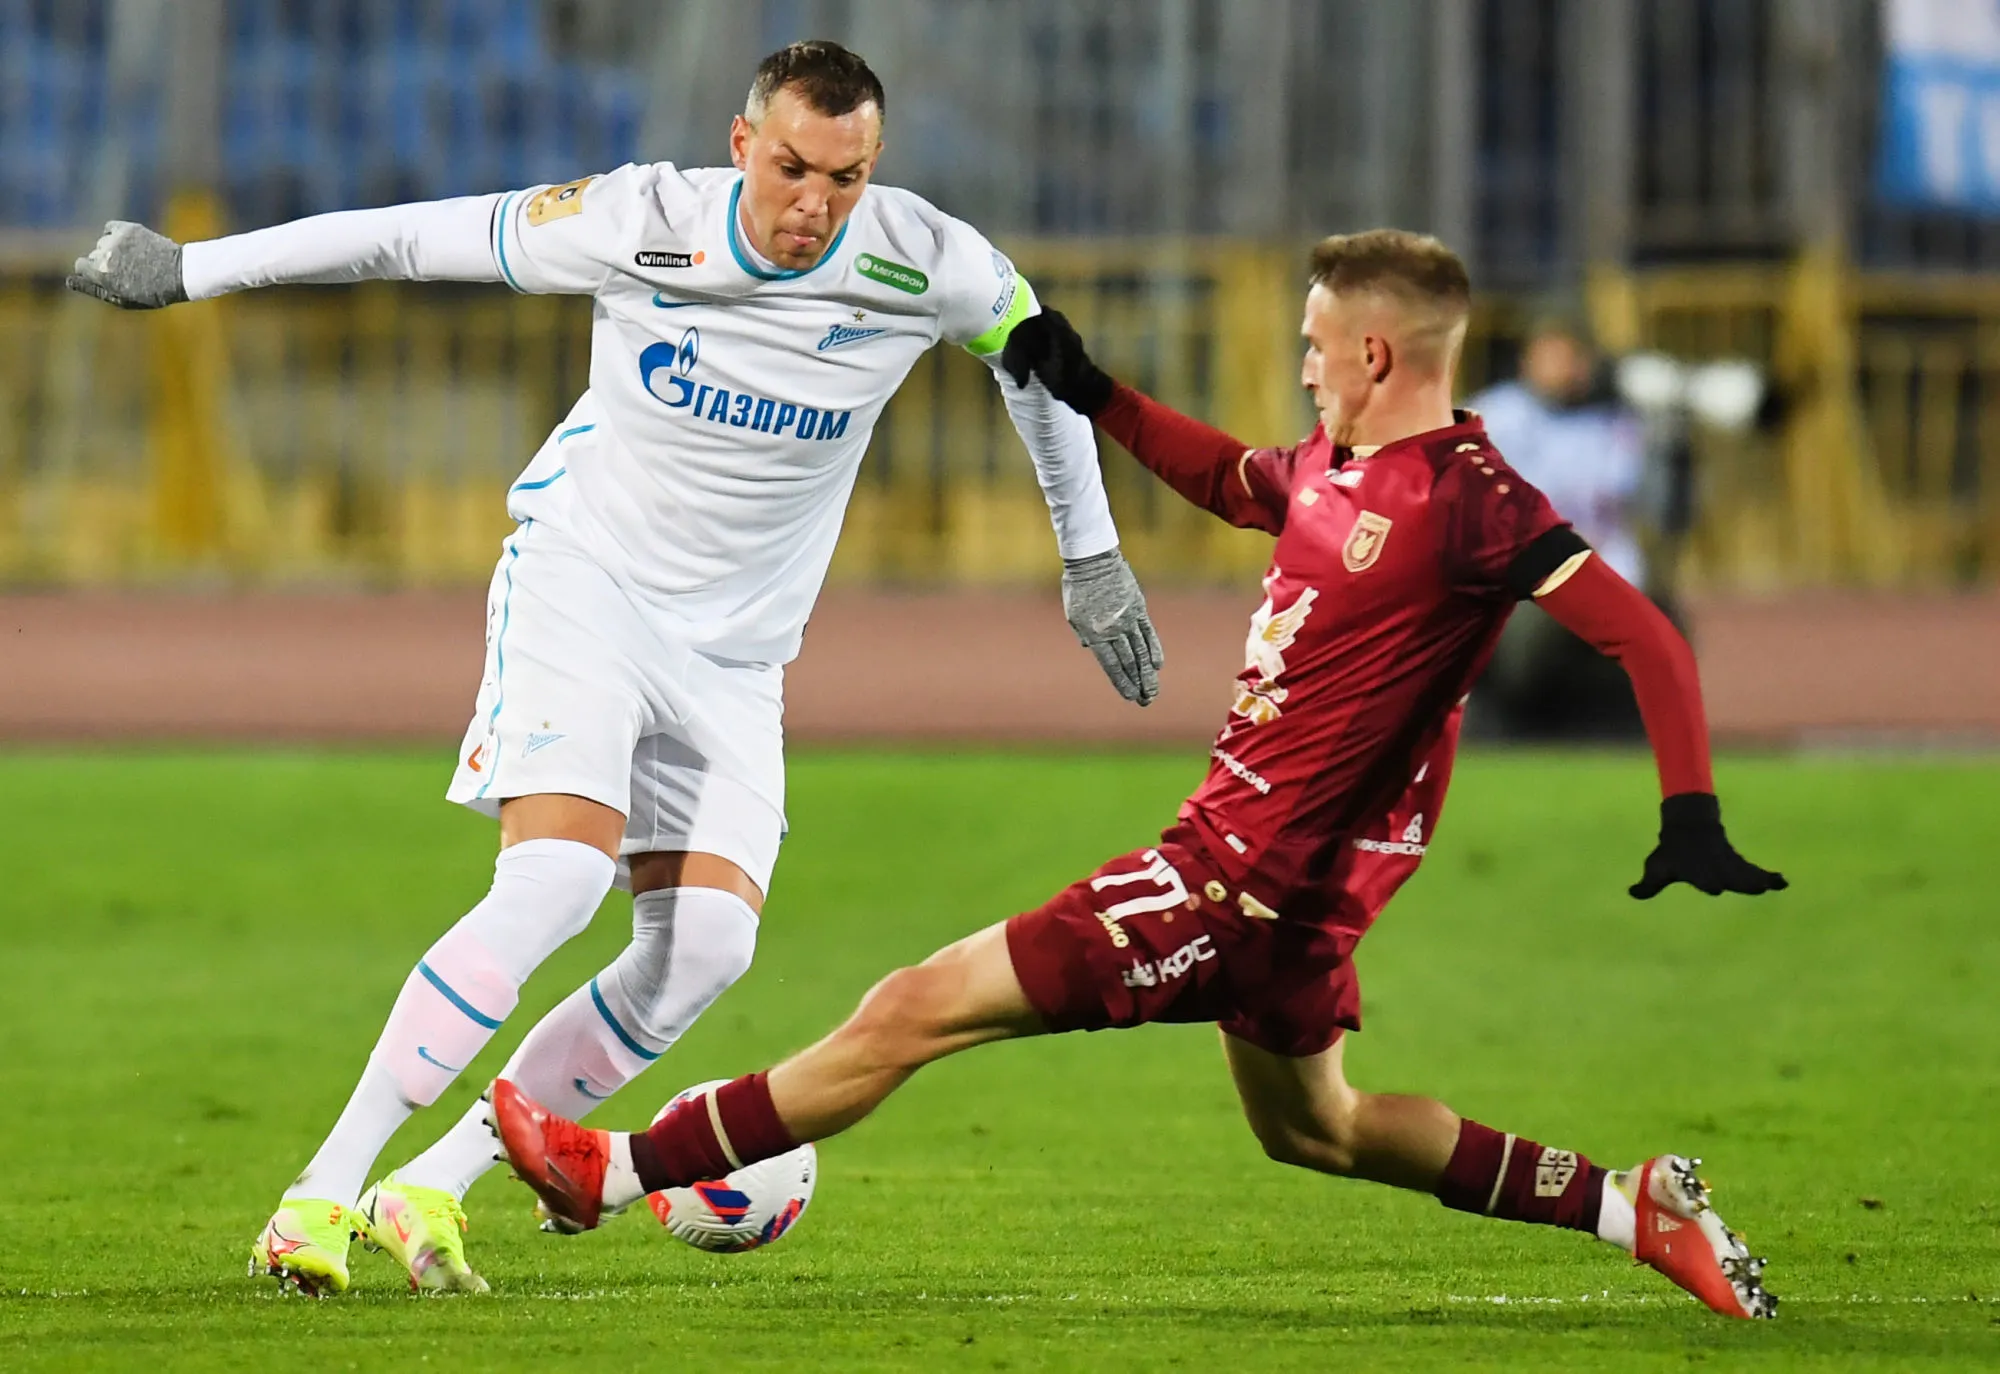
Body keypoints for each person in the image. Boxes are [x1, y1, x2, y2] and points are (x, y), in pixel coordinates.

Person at [490, 231, 1787, 1320]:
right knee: (1317, 1130)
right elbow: (1226, 476)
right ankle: (1629, 1206)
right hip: (1296, 899)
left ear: (1375, 354)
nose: (1302, 363)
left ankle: (613, 1171)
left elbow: (1646, 637)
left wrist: (1689, 811)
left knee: (914, 1007)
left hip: (1234, 882)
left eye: (1314, 343)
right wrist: (1093, 390)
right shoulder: (1334, 466)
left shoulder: (1476, 504)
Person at [66, 41, 1164, 1296]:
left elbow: (1040, 367)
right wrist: (191, 269)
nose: (814, 203)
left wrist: (1091, 556)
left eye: (845, 178)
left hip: (738, 655)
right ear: (741, 144)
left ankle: (434, 1183)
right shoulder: (637, 220)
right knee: (554, 880)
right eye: (792, 167)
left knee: (704, 949)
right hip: (587, 584)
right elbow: (410, 238)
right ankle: (316, 1195)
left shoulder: (928, 259)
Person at [1468, 313, 1660, 737]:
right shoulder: (1497, 416)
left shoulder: (1615, 422)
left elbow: (1633, 504)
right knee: (1526, 635)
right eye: (1554, 356)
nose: (1565, 368)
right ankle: (1506, 721)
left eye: (1574, 357)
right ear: (1528, 359)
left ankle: (1620, 722)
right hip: (1521, 569)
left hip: (1604, 564)